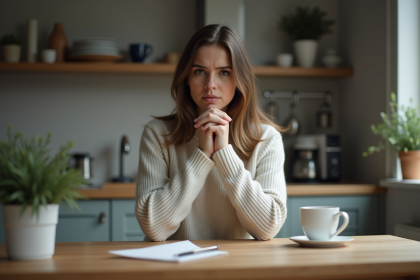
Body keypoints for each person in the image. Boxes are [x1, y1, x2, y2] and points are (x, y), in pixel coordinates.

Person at [135, 24, 287, 242]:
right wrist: (202, 155)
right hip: (176, 271)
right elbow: (154, 228)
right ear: (187, 78)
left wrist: (224, 153)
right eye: (200, 72)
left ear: (240, 80)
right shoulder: (157, 134)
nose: (210, 85)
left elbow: (267, 228)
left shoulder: (266, 139)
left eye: (224, 72)